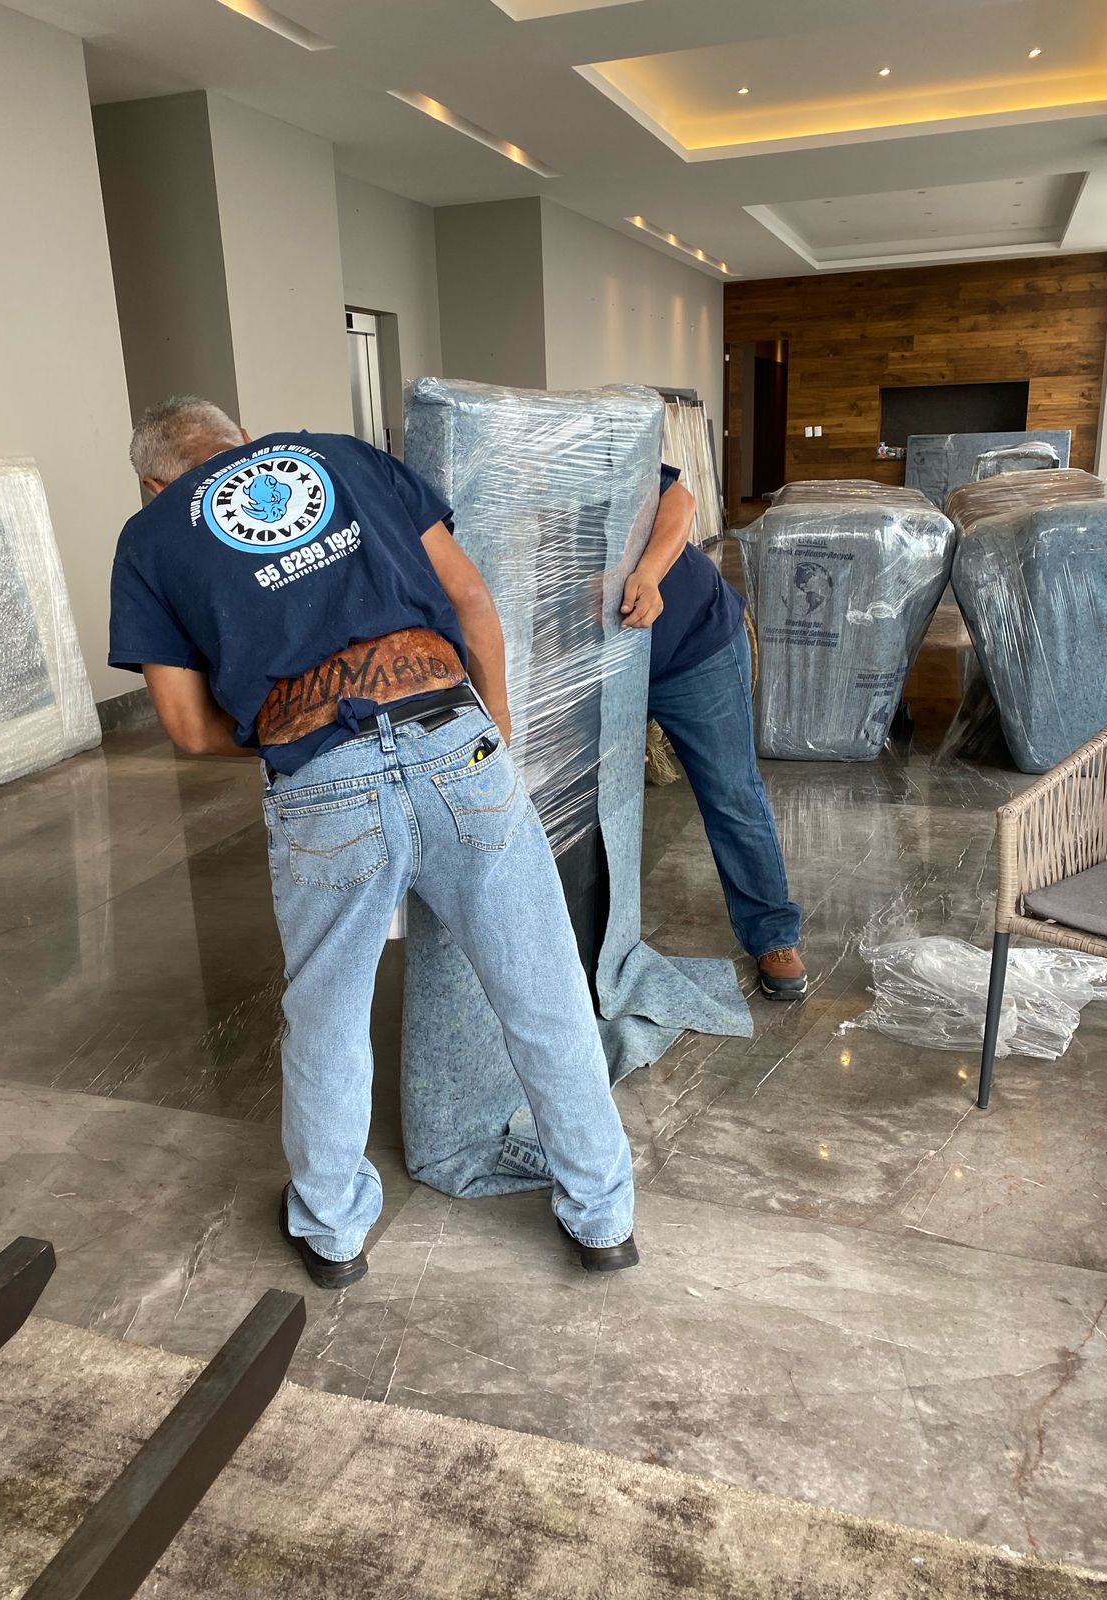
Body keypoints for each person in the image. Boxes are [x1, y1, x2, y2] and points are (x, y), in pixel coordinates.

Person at [108, 396, 638, 1287]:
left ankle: (332, 1233)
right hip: (453, 737)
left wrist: (299, 723)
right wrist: (492, 729)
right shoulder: (346, 458)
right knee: (544, 987)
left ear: (156, 480)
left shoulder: (150, 534)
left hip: (322, 781)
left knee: (327, 1015)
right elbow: (471, 598)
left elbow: (188, 726)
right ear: (242, 441)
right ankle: (602, 1219)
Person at [619, 465, 806, 1001]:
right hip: (604, 669)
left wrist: (651, 572)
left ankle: (771, 934)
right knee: (592, 809)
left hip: (692, 646)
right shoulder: (502, 502)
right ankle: (588, 943)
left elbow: (679, 501)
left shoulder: (594, 447)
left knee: (730, 793)